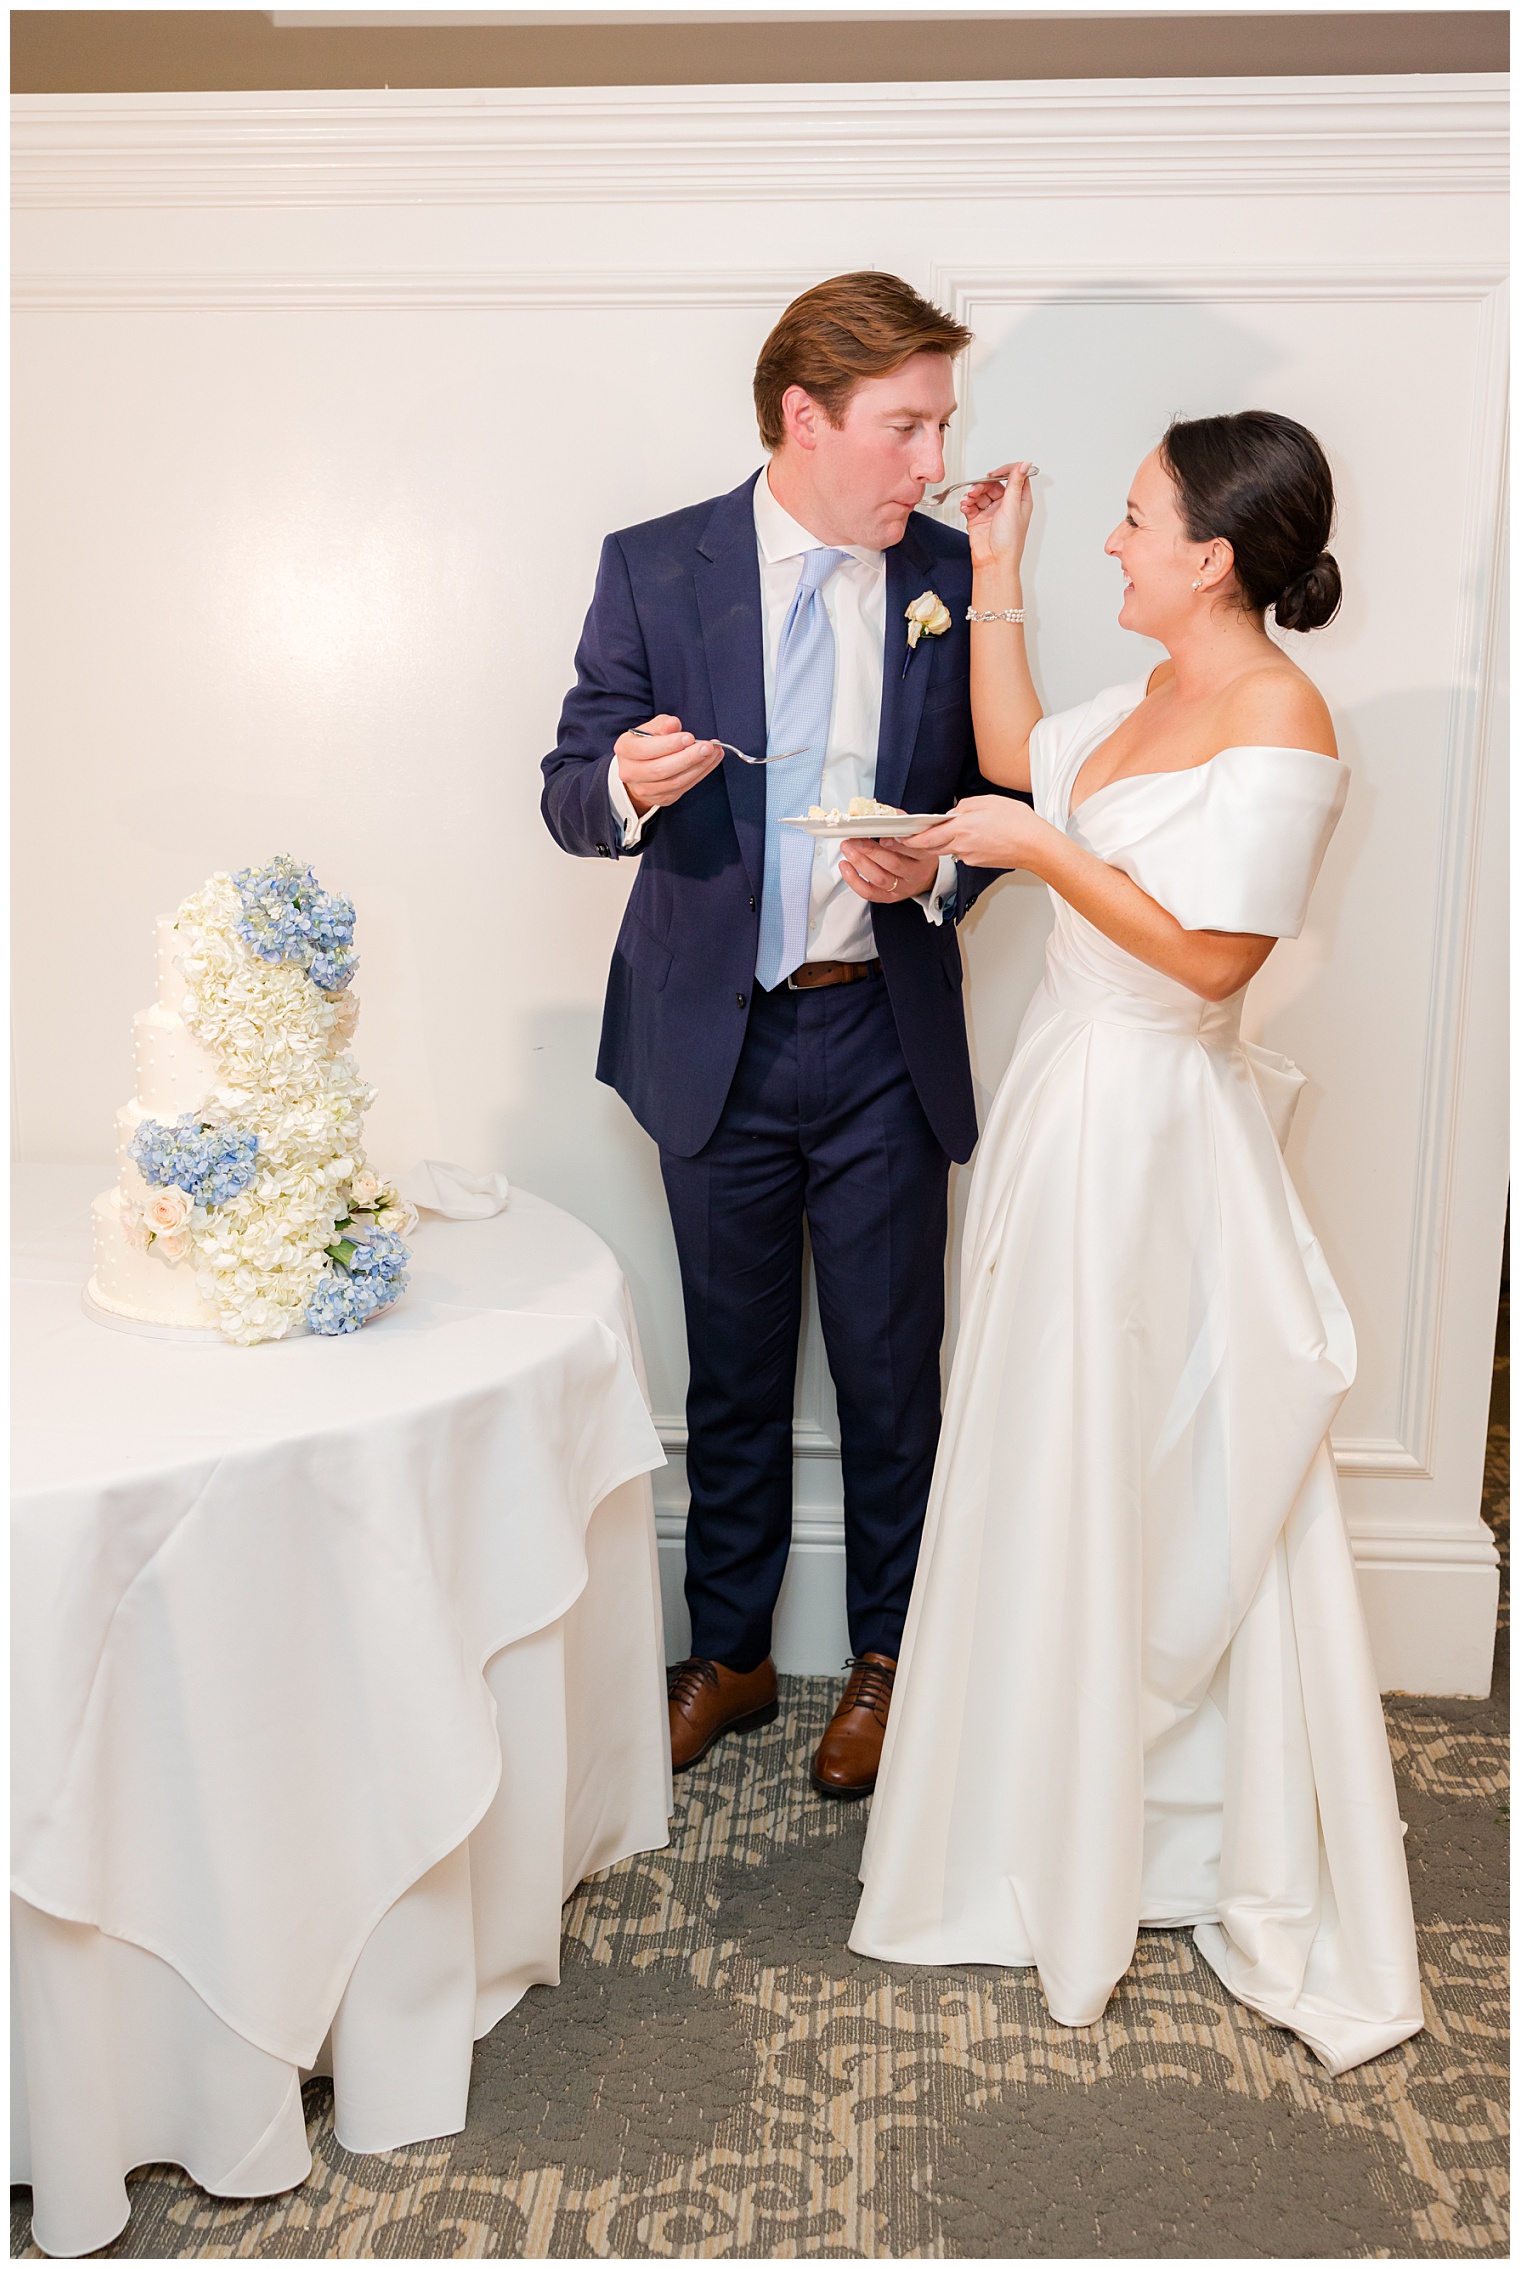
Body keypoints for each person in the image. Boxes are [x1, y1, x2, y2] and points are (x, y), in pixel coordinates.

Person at [849, 411, 1423, 2074]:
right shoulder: (1162, 693)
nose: (1117, 541)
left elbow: (1213, 960)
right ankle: (1044, 1773)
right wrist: (1006, 578)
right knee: (1053, 1441)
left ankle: (1158, 1805)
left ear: (1213, 556)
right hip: (1064, 1105)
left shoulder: (1280, 712)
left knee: (1153, 1456)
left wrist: (1034, 850)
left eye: (1129, 520)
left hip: (1158, 1131)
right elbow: (1030, 754)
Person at [541, 274, 1011, 1795]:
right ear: (804, 417)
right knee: (732, 1369)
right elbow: (565, 789)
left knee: (892, 1372)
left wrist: (934, 870)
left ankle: (892, 1659)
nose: (931, 459)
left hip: (880, 1032)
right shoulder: (654, 565)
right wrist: (629, 781)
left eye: (940, 422)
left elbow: (1005, 805)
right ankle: (729, 1654)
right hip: (712, 1042)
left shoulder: (953, 574)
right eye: (906, 425)